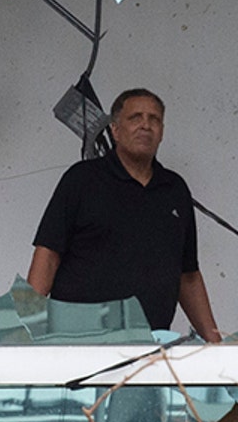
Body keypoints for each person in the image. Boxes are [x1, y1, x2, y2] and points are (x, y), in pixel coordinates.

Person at [28, 88, 222, 343]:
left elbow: (188, 276)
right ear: (115, 130)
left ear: (161, 132)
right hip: (78, 339)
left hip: (149, 344)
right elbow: (48, 254)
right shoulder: (82, 179)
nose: (145, 125)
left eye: (154, 119)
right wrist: (27, 331)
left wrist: (216, 345)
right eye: (135, 117)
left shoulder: (175, 189)